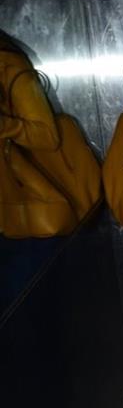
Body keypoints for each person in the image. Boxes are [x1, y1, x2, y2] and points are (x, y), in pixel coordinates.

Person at [0, 31, 62, 314]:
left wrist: (6, 126)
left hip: (20, 220)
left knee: (26, 332)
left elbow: (47, 136)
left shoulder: (7, 63)